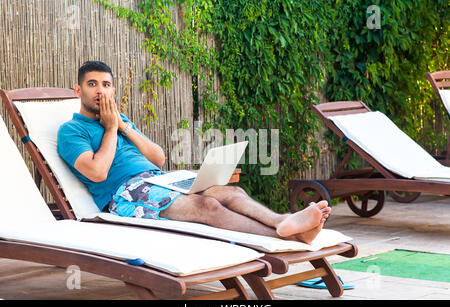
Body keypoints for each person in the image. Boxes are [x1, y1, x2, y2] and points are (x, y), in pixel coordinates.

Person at [57, 61, 331, 244]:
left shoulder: (120, 120)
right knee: (207, 206)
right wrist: (108, 129)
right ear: (78, 90)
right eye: (92, 84)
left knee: (231, 193)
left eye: (106, 85)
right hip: (124, 194)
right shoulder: (71, 131)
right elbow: (97, 171)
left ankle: (283, 221)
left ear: (113, 89)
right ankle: (288, 239)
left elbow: (158, 158)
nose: (100, 91)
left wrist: (122, 127)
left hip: (158, 179)